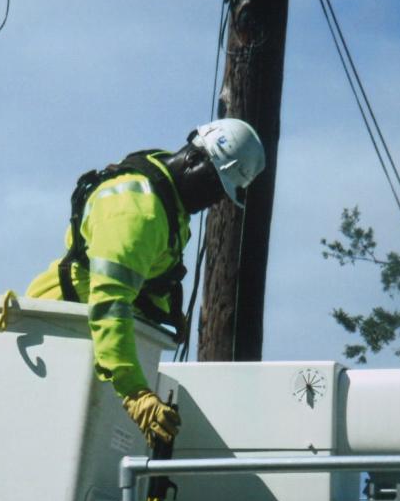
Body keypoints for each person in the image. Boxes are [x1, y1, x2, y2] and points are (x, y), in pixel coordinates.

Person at [26, 118, 265, 446]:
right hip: (64, 327)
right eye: (214, 186)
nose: (214, 202)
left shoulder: (167, 193)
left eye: (222, 195)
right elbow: (110, 301)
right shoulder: (138, 212)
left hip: (90, 333)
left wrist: (165, 313)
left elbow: (148, 275)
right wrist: (135, 391)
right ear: (193, 159)